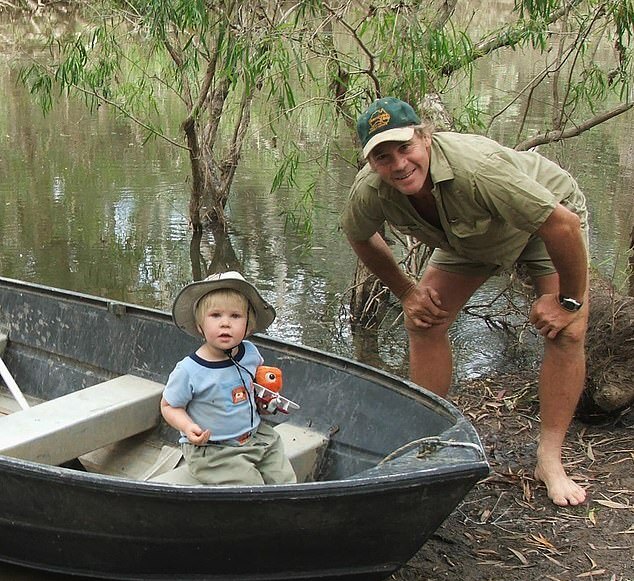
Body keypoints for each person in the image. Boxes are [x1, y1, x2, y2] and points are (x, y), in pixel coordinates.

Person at [341, 97, 589, 506]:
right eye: (383, 156)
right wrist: (407, 291)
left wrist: (569, 302)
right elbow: (358, 234)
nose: (399, 164)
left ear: (425, 137)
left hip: (545, 222)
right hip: (471, 239)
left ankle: (549, 459)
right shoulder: (371, 191)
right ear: (370, 162)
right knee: (425, 320)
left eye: (405, 148)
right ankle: (428, 441)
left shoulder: (478, 171)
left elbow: (562, 225)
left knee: (567, 332)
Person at [160, 271, 297, 486]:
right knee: (250, 486)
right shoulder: (189, 370)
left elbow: (256, 384)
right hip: (213, 450)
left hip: (256, 436)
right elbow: (169, 406)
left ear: (248, 325)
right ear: (200, 326)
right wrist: (187, 427)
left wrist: (266, 400)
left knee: (285, 479)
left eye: (235, 316)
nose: (225, 323)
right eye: (215, 316)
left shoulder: (250, 353)